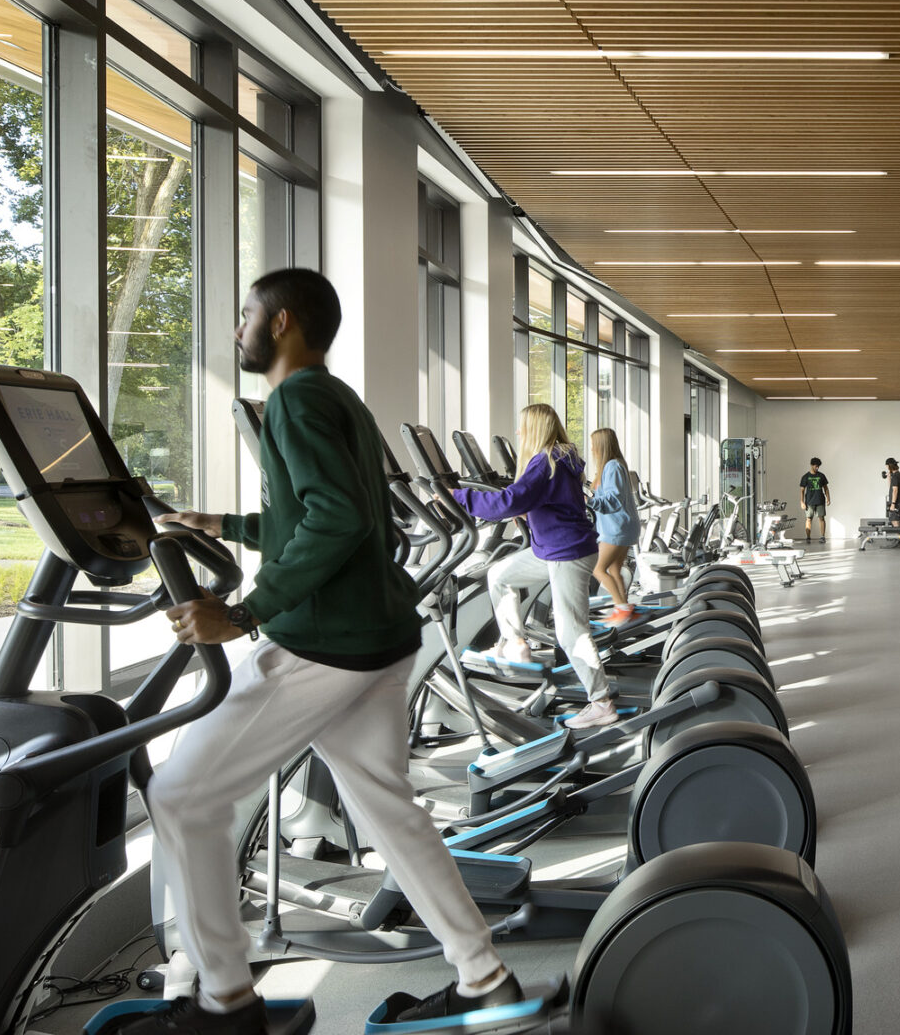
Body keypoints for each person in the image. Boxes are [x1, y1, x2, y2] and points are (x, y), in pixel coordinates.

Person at [144, 268, 524, 1034]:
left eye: (245, 313)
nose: (237, 328)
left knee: (183, 796)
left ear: (281, 322)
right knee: (390, 812)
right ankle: (485, 979)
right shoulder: (337, 396)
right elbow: (330, 513)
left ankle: (224, 1000)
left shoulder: (293, 399)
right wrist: (227, 524)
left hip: (326, 644)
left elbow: (341, 519)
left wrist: (244, 613)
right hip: (379, 639)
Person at [453, 404, 618, 729]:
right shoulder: (562, 458)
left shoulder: (546, 461)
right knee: (499, 574)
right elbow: (545, 500)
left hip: (566, 552)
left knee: (571, 631)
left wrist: (460, 496)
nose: (518, 432)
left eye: (522, 426)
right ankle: (515, 644)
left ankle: (601, 703)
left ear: (536, 429)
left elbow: (508, 501)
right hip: (555, 548)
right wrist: (529, 510)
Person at [589, 427, 641, 624]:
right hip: (620, 527)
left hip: (617, 529)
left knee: (597, 568)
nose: (592, 448)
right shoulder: (613, 466)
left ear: (602, 445)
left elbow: (613, 500)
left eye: (594, 444)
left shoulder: (612, 467)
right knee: (613, 570)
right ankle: (626, 608)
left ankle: (621, 608)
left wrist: (588, 500)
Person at [800, 457, 831, 543]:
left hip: (820, 500)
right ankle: (808, 537)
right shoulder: (805, 477)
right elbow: (802, 490)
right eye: (816, 466)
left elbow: (826, 488)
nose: (817, 468)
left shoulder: (821, 476)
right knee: (808, 518)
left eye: (818, 466)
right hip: (809, 501)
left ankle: (822, 537)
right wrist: (802, 502)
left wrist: (828, 498)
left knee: (821, 518)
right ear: (812, 465)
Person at [884, 457, 900, 525]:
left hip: (896, 503)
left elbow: (895, 490)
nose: (887, 468)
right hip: (895, 502)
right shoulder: (896, 475)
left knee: (895, 523)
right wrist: (889, 477)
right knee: (894, 521)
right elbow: (891, 487)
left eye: (887, 466)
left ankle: (899, 535)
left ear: (889, 466)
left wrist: (893, 504)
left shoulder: (896, 476)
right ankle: (898, 535)